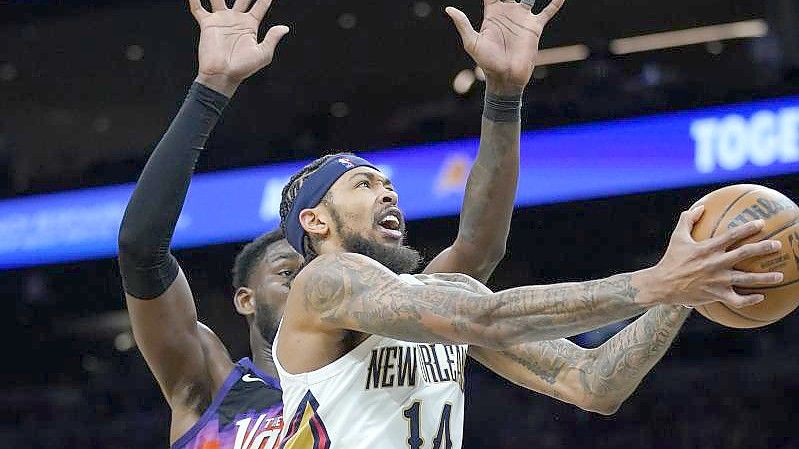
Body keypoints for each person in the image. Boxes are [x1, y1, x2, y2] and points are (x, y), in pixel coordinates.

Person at [272, 2, 785, 449]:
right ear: (315, 221)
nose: (387, 192)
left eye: (388, 184)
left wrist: (684, 286)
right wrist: (655, 283)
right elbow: (486, 317)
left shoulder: (442, 294)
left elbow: (591, 384)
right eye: (363, 184)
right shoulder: (325, 283)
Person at [116, 0, 297, 448]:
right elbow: (141, 250)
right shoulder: (212, 384)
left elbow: (476, 251)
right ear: (245, 299)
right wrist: (211, 89)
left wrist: (504, 100)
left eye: (314, 272)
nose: (306, 284)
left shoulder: (369, 374)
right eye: (287, 273)